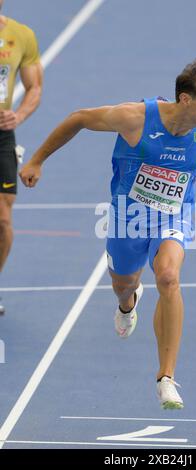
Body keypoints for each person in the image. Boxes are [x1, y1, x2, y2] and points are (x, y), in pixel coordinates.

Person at [19, 59, 196, 409]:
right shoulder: (135, 118)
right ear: (185, 99)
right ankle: (128, 303)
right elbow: (78, 118)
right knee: (123, 283)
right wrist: (36, 160)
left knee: (169, 277)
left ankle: (165, 377)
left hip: (175, 213)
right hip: (130, 216)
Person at [0, 0, 43, 314]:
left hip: (1, 135)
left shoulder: (21, 35)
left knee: (2, 222)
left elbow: (34, 87)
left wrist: (19, 116)